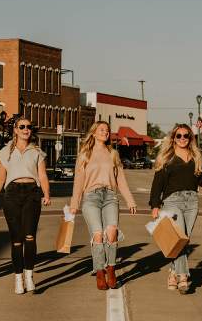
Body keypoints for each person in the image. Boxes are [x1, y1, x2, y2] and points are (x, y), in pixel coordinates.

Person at [149, 123, 202, 294]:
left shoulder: (197, 155)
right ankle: (183, 277)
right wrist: (155, 205)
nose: (182, 139)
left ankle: (172, 272)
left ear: (190, 138)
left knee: (183, 239)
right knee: (180, 238)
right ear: (173, 138)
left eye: (186, 135)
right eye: (178, 136)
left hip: (192, 201)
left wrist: (199, 182)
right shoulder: (167, 157)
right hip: (172, 201)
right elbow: (158, 183)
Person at [70, 121, 137, 290]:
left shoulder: (113, 153)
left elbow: (120, 179)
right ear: (93, 133)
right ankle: (100, 272)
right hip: (91, 197)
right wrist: (74, 204)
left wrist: (130, 200)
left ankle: (111, 268)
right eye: (101, 130)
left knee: (112, 233)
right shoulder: (84, 154)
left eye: (107, 130)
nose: (105, 132)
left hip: (110, 196)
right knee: (98, 236)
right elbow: (78, 181)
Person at [0, 117, 51, 294]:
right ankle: (18, 278)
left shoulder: (37, 151)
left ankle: (29, 276)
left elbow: (43, 175)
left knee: (30, 236)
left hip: (32, 192)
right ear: (15, 130)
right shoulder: (5, 152)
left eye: (29, 127)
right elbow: (0, 178)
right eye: (22, 126)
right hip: (12, 194)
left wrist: (46, 193)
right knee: (16, 240)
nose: (26, 129)